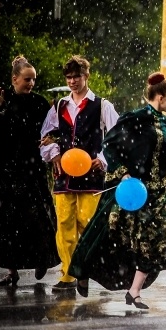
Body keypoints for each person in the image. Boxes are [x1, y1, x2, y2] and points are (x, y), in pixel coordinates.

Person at [69, 73, 166, 309]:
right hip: (136, 190)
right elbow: (110, 144)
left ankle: (134, 292)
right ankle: (82, 268)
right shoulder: (137, 117)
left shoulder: (162, 121)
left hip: (159, 191)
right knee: (107, 233)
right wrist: (123, 172)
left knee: (161, 238)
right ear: (161, 97)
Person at [40, 55, 118, 291]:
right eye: (69, 77)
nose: (73, 81)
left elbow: (117, 137)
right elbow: (46, 135)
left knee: (88, 224)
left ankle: (88, 269)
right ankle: (68, 274)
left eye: (77, 76)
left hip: (92, 178)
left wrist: (102, 159)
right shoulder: (60, 105)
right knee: (64, 225)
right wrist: (53, 154)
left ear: (87, 76)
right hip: (64, 177)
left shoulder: (102, 105)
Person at [0, 56, 58, 286]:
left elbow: (51, 130)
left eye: (34, 79)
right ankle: (11, 270)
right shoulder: (4, 100)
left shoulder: (39, 103)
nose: (31, 83)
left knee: (37, 217)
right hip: (4, 169)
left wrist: (50, 141)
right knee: (3, 221)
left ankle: (42, 259)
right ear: (14, 79)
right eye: (27, 79)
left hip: (30, 169)